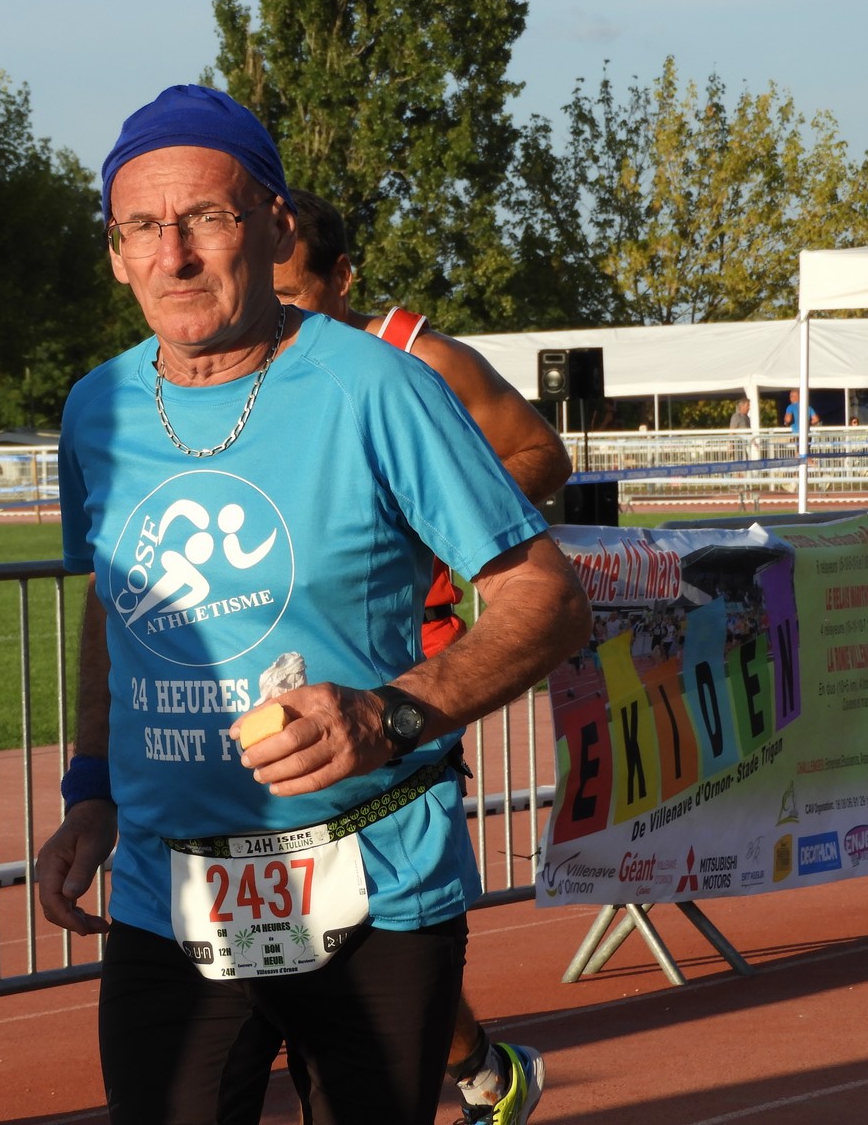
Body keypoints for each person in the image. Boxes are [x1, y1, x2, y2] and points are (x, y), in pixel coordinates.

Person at [36, 85, 591, 1125]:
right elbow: (116, 604)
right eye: (142, 227)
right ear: (115, 253)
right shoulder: (95, 408)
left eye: (205, 218)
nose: (173, 255)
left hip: (371, 879)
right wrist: (92, 790)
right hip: (168, 895)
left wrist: (391, 715)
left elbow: (546, 599)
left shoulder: (379, 387)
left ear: (275, 225)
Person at [271, 187, 570, 1121]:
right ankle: (480, 1065)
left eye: (290, 295)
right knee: (302, 899)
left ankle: (464, 1066)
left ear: (342, 278)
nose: (270, 314)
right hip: (292, 660)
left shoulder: (415, 356)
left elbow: (541, 454)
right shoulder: (247, 373)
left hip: (407, 659)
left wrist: (434, 509)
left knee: (377, 898)